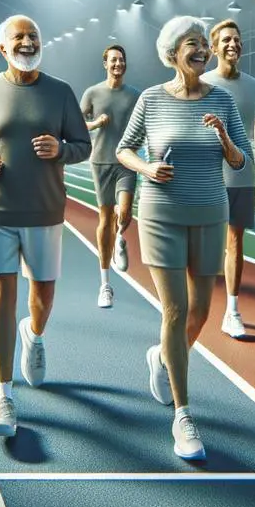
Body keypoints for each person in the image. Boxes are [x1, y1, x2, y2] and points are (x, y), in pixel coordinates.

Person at [0, 15, 92, 438]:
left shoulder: (61, 92)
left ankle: (34, 333)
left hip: (45, 210)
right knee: (1, 296)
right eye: (19, 36)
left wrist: (60, 149)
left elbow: (83, 146)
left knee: (42, 297)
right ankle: (4, 395)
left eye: (34, 36)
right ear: (3, 48)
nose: (28, 42)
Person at [117, 16, 249, 461]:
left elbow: (238, 161)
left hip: (211, 213)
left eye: (202, 45)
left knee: (200, 311)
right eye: (191, 44)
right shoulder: (152, 99)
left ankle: (162, 357)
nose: (201, 51)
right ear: (173, 52)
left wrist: (223, 135)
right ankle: (184, 414)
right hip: (161, 215)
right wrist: (147, 168)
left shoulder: (224, 101)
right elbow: (124, 148)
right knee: (174, 310)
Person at [200, 20, 255, 339]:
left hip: (242, 176)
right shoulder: (199, 83)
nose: (233, 44)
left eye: (237, 39)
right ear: (213, 49)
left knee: (234, 242)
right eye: (226, 40)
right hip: (203, 176)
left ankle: (231, 310)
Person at [81, 44, 141, 309]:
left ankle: (120, 237)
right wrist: (95, 124)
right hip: (101, 162)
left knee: (125, 212)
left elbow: (145, 124)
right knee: (104, 217)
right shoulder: (92, 93)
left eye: (122, 60)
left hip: (126, 161)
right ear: (105, 64)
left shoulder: (136, 95)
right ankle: (105, 284)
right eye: (113, 60)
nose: (118, 64)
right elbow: (75, 123)